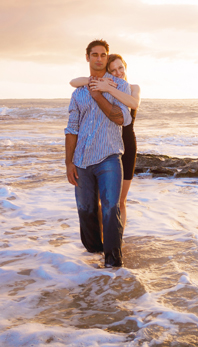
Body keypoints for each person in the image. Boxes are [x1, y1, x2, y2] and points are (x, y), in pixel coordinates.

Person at [64, 39, 132, 268]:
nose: (99, 58)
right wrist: (68, 163)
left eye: (103, 55)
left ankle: (114, 266)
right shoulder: (78, 93)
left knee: (111, 208)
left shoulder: (119, 87)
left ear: (107, 57)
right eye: (94, 55)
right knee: (86, 212)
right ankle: (93, 261)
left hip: (109, 157)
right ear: (88, 58)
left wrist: (99, 95)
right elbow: (72, 128)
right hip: (82, 161)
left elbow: (121, 118)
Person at [71, 53, 141, 227]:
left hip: (127, 145)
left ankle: (119, 241)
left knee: (120, 201)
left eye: (120, 68)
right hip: (106, 146)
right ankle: (103, 242)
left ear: (125, 67)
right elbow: (73, 82)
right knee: (103, 202)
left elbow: (134, 104)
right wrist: (95, 81)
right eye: (113, 70)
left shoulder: (133, 88)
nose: (118, 73)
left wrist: (109, 88)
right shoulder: (102, 84)